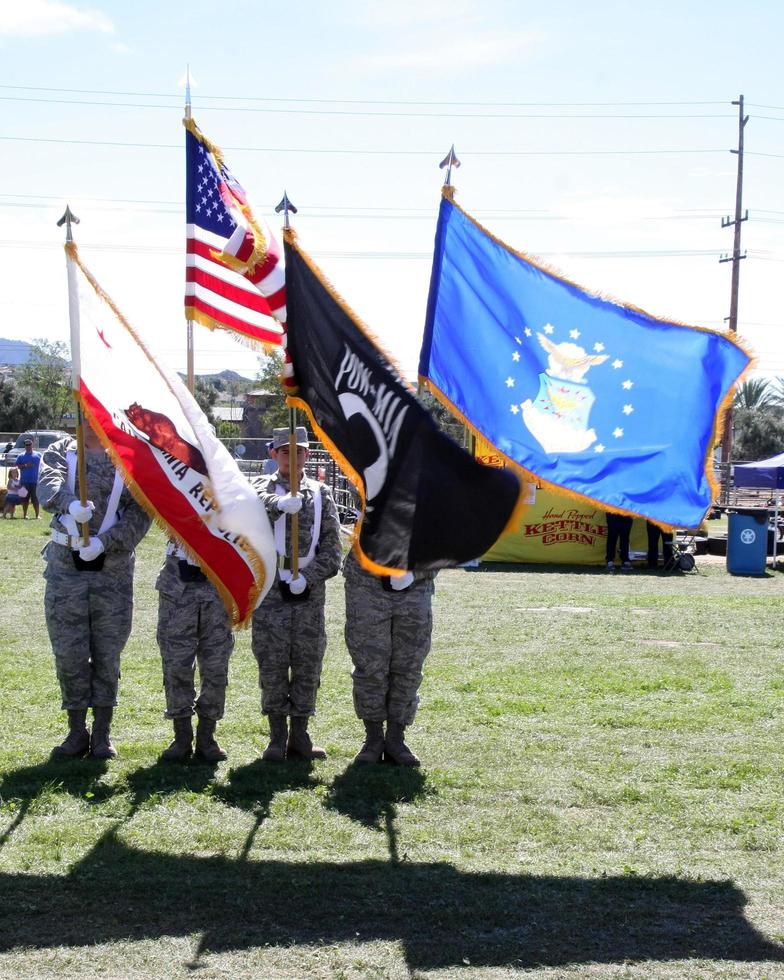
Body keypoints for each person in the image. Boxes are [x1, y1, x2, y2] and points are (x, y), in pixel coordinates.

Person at [38, 421, 151, 759]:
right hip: (65, 570)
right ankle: (76, 733)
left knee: (107, 653)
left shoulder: (127, 460)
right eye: (85, 415)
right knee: (69, 653)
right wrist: (70, 504)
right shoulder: (62, 451)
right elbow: (47, 486)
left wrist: (105, 542)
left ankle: (102, 734)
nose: (90, 423)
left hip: (112, 572)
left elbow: (140, 512)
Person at [251, 426, 341, 762]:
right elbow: (256, 504)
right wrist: (279, 503)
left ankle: (300, 736)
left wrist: (309, 577)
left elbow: (333, 550)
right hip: (271, 592)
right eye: (285, 451)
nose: (292, 456)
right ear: (274, 454)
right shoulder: (259, 488)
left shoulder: (321, 494)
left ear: (307, 454)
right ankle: (276, 738)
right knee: (272, 663)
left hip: (308, 593)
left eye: (298, 451)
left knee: (306, 664)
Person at [343, 551, 436, 766]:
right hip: (367, 583)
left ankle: (396, 738)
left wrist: (415, 573)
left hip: (414, 585)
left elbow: (446, 543)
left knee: (408, 664)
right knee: (369, 663)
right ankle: (373, 738)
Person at [155, 543, 234, 763]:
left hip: (219, 582)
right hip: (178, 584)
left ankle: (207, 737)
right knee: (176, 663)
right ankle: (181, 736)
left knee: (215, 666)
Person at [16, 437, 42, 519]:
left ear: (32, 444)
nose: (28, 446)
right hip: (24, 481)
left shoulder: (38, 455)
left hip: (35, 481)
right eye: (26, 445)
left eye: (29, 444)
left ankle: (37, 515)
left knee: (35, 499)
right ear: (24, 446)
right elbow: (17, 466)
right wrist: (25, 465)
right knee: (24, 498)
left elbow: (43, 465)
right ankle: (24, 515)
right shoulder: (21, 456)